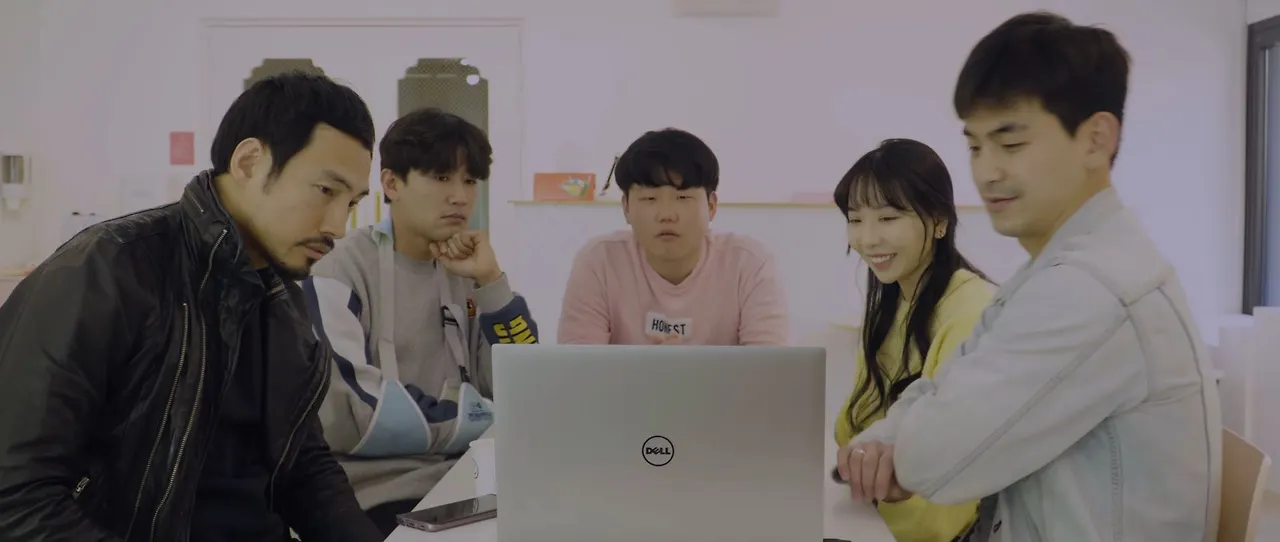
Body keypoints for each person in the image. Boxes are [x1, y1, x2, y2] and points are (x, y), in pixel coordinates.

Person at [839, 11, 1222, 542]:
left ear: (1096, 139)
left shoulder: (1092, 287)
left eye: (1011, 144)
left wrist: (889, 453)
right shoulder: (1049, 271)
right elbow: (942, 387)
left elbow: (940, 455)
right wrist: (882, 443)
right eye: (975, 146)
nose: (987, 171)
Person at [0, 71, 384, 541]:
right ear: (249, 162)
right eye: (326, 190)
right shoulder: (110, 269)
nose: (338, 226)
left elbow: (304, 468)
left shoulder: (284, 303)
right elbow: (17, 495)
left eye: (352, 203)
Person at [301, 107, 539, 535]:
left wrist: (491, 282)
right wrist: (486, 421)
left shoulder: (468, 270)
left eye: (470, 181)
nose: (460, 197)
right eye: (442, 177)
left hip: (477, 483)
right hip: (377, 492)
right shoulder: (340, 269)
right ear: (392, 183)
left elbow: (527, 389)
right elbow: (353, 414)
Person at [832, 138, 994, 542]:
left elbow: (943, 445)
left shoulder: (972, 308)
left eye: (888, 218)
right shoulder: (890, 305)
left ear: (939, 220)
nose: (868, 238)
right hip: (867, 522)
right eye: (855, 219)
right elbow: (855, 428)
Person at [557, 128, 788, 345]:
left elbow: (769, 369)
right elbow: (578, 369)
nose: (667, 215)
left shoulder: (749, 265)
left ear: (711, 206)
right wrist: (655, 370)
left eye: (683, 198)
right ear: (626, 207)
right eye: (650, 199)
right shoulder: (599, 263)